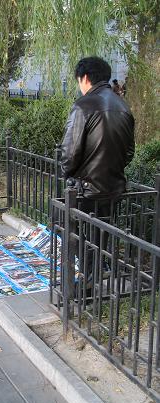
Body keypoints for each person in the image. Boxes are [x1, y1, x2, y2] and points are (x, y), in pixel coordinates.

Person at [60, 57, 135, 287]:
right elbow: (130, 152)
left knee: (76, 235)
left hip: (85, 189)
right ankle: (93, 277)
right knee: (99, 236)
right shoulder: (123, 106)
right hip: (113, 187)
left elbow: (69, 154)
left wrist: (69, 173)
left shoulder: (84, 105)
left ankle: (85, 286)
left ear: (84, 78)